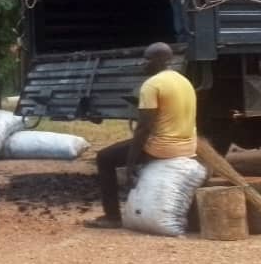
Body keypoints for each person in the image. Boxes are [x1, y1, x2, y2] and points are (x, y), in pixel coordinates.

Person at [84, 42, 197, 229]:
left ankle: (112, 216)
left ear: (160, 60)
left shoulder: (151, 85)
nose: (143, 64)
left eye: (147, 59)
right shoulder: (184, 81)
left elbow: (144, 128)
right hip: (188, 146)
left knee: (104, 158)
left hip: (163, 148)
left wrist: (130, 164)